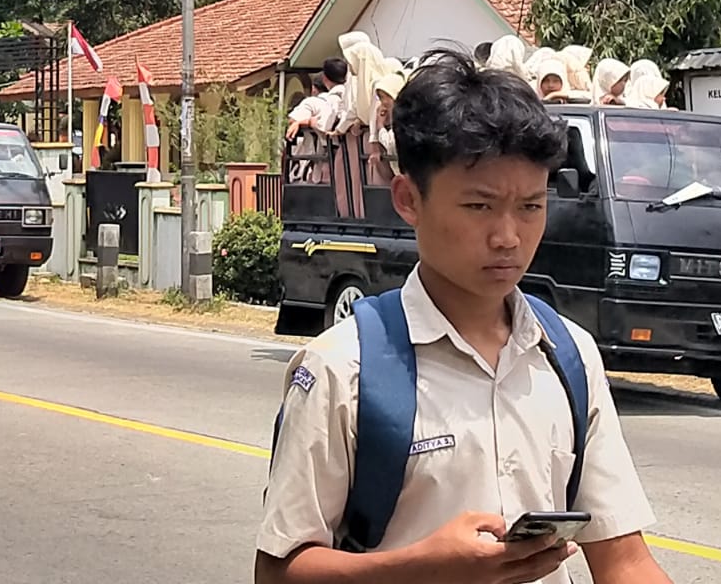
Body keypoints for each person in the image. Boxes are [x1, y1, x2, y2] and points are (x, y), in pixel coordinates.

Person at [257, 49, 668, 584]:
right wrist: (422, 568)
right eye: (479, 206)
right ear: (408, 199)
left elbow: (625, 562)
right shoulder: (343, 369)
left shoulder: (568, 357)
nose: (508, 236)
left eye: (530, 206)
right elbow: (278, 571)